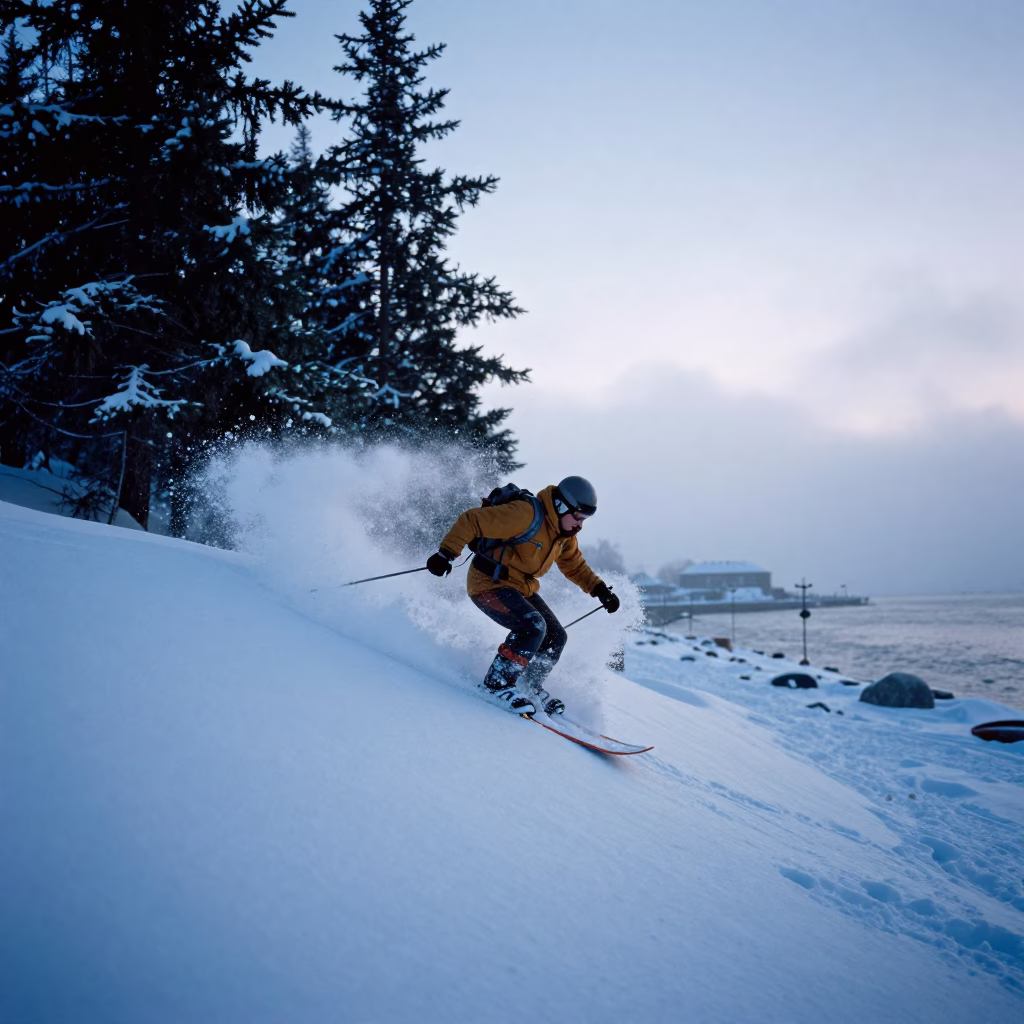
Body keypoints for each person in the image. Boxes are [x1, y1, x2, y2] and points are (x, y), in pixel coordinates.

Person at [425, 475, 620, 716]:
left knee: (556, 636)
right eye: (578, 517)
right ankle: (496, 683)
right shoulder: (525, 514)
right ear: (561, 506)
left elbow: (575, 565)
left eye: (585, 520)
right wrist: (445, 554)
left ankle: (528, 685)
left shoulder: (563, 536)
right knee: (532, 626)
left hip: (519, 587)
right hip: (488, 583)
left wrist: (599, 589)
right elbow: (472, 520)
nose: (580, 525)